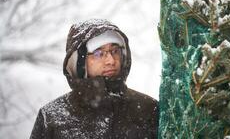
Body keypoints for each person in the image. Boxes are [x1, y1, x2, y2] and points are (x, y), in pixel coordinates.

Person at [30, 19, 158, 139]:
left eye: (115, 51)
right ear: (79, 61)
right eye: (99, 53)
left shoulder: (148, 109)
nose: (111, 60)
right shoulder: (53, 116)